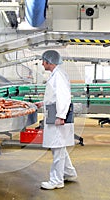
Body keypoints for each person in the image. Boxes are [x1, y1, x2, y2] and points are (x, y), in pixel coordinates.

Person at [35, 50, 77, 190]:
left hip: (58, 115)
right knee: (60, 146)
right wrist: (43, 103)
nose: (42, 63)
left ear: (49, 62)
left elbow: (63, 96)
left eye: (43, 61)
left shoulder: (58, 75)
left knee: (57, 147)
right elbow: (54, 95)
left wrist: (61, 116)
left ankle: (56, 180)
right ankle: (69, 173)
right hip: (55, 112)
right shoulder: (56, 74)